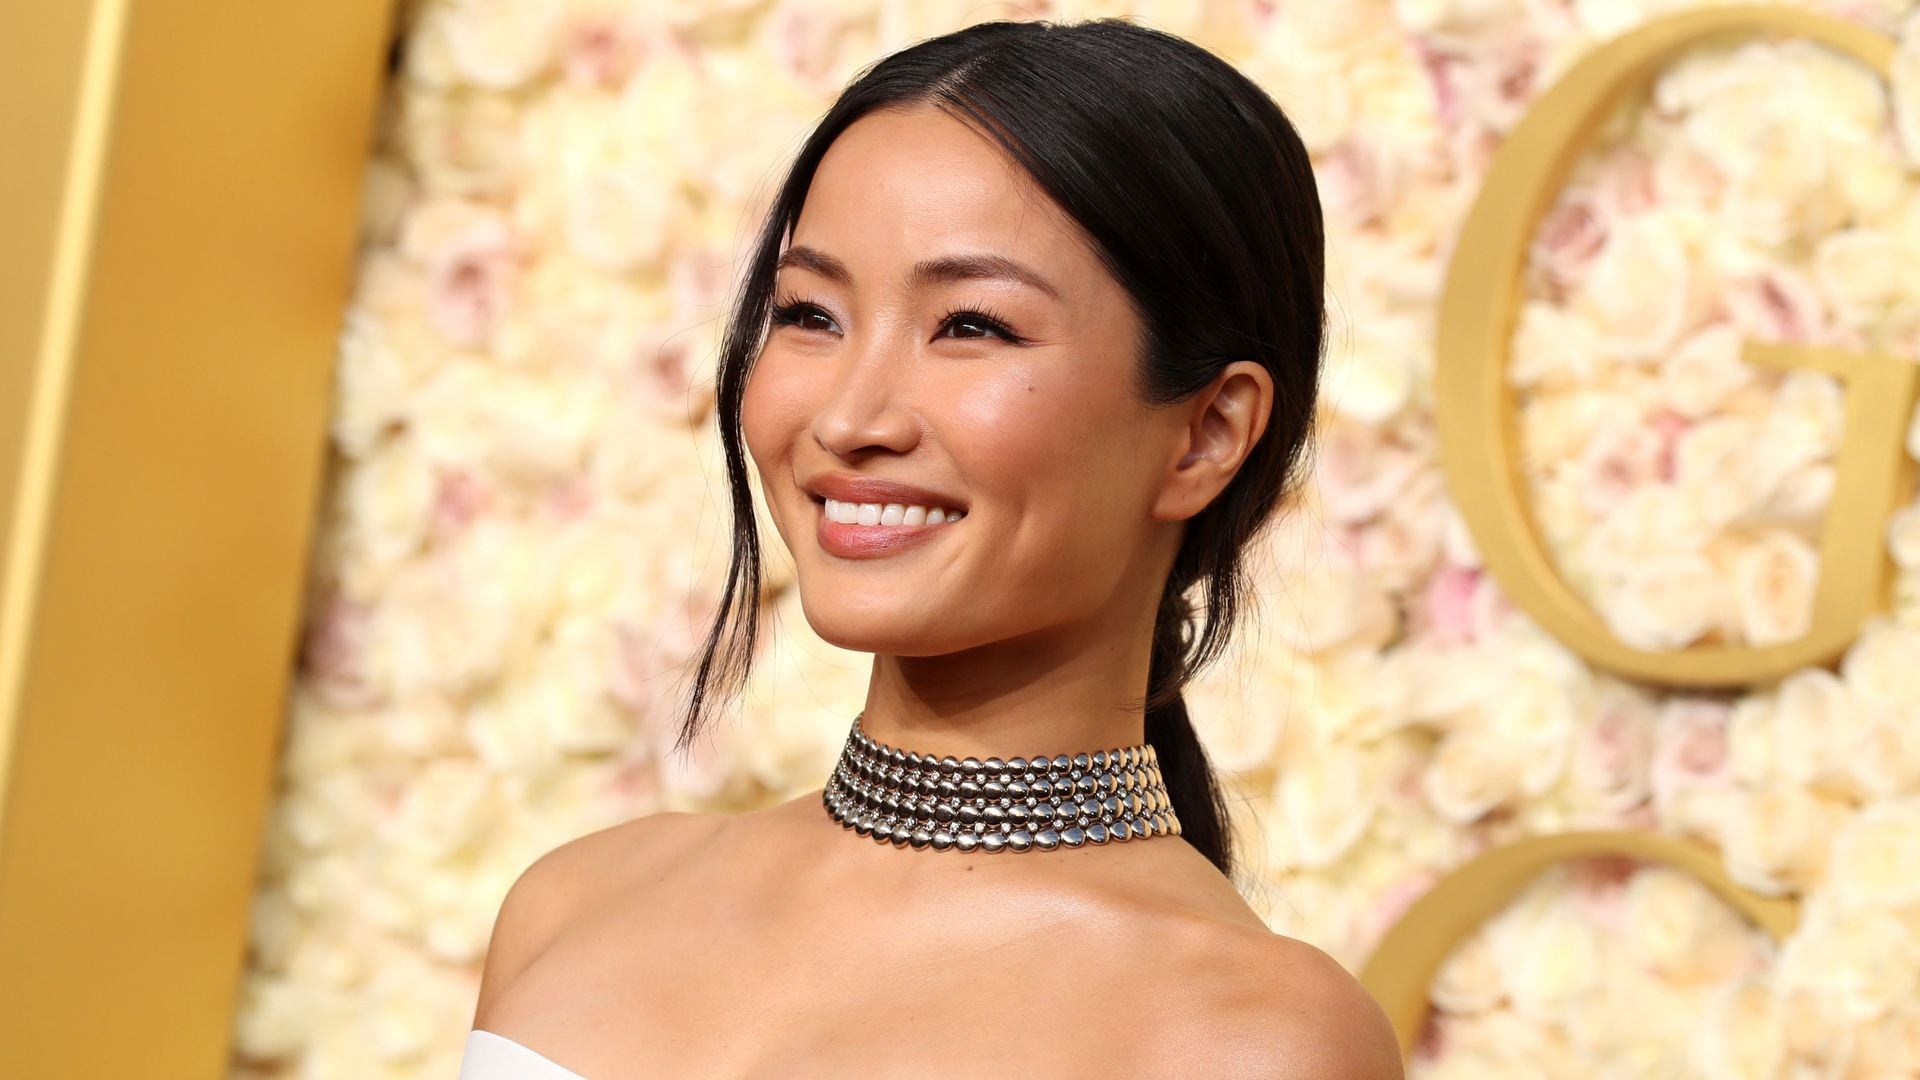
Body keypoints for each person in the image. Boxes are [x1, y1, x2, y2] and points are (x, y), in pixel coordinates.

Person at [463, 17, 1403, 1079]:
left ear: (1207, 434)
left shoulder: (1250, 1039)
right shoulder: (575, 904)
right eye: (811, 313)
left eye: (972, 326)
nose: (851, 416)